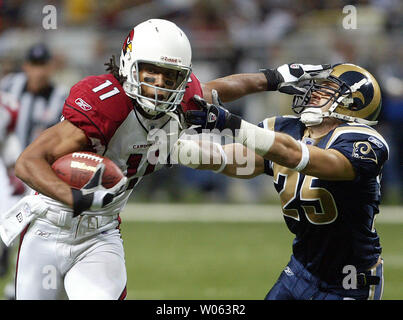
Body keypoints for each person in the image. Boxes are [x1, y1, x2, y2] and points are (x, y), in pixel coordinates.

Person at [0, 19, 324, 300]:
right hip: (47, 228)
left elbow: (215, 89)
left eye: (169, 78)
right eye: (150, 74)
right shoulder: (108, 104)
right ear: (129, 64)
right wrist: (77, 197)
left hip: (99, 234)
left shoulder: (180, 100)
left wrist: (273, 78)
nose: (158, 87)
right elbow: (29, 162)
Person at [181, 63, 388, 300]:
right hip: (301, 268)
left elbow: (302, 157)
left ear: (355, 102)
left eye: (330, 89)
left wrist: (232, 124)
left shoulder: (363, 142)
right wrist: (171, 150)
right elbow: (230, 158)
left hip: (350, 279)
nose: (316, 92)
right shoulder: (289, 129)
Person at [0, 43, 68, 299]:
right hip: (6, 173)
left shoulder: (62, 97)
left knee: (36, 233)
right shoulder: (8, 87)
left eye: (43, 66)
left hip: (40, 176)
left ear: (51, 67)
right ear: (26, 66)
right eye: (33, 65)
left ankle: (15, 289)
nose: (38, 72)